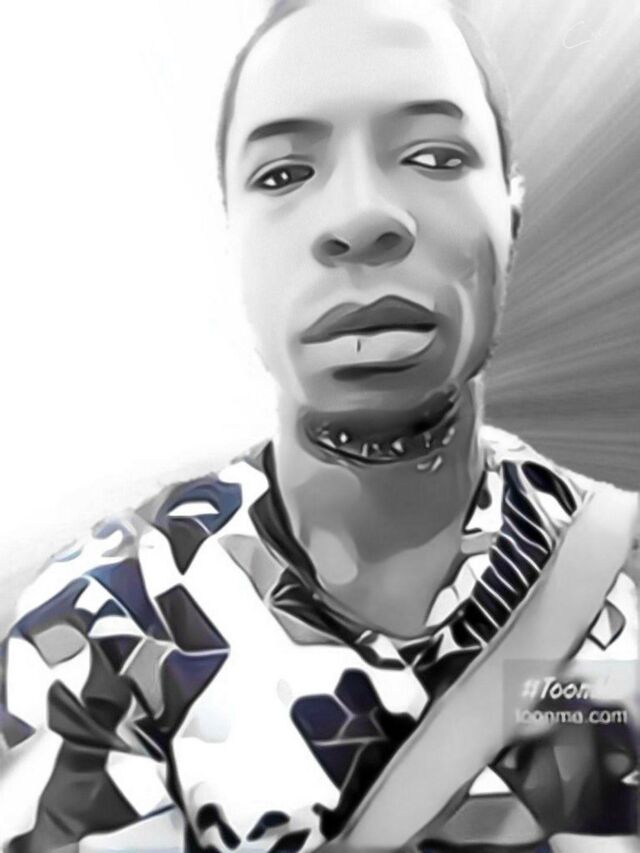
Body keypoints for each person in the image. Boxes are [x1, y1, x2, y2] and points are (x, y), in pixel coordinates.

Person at [0, 0, 638, 850]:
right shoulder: (103, 630)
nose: (360, 218)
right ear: (234, 246)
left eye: (435, 156)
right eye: (282, 175)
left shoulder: (624, 576)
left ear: (511, 216)